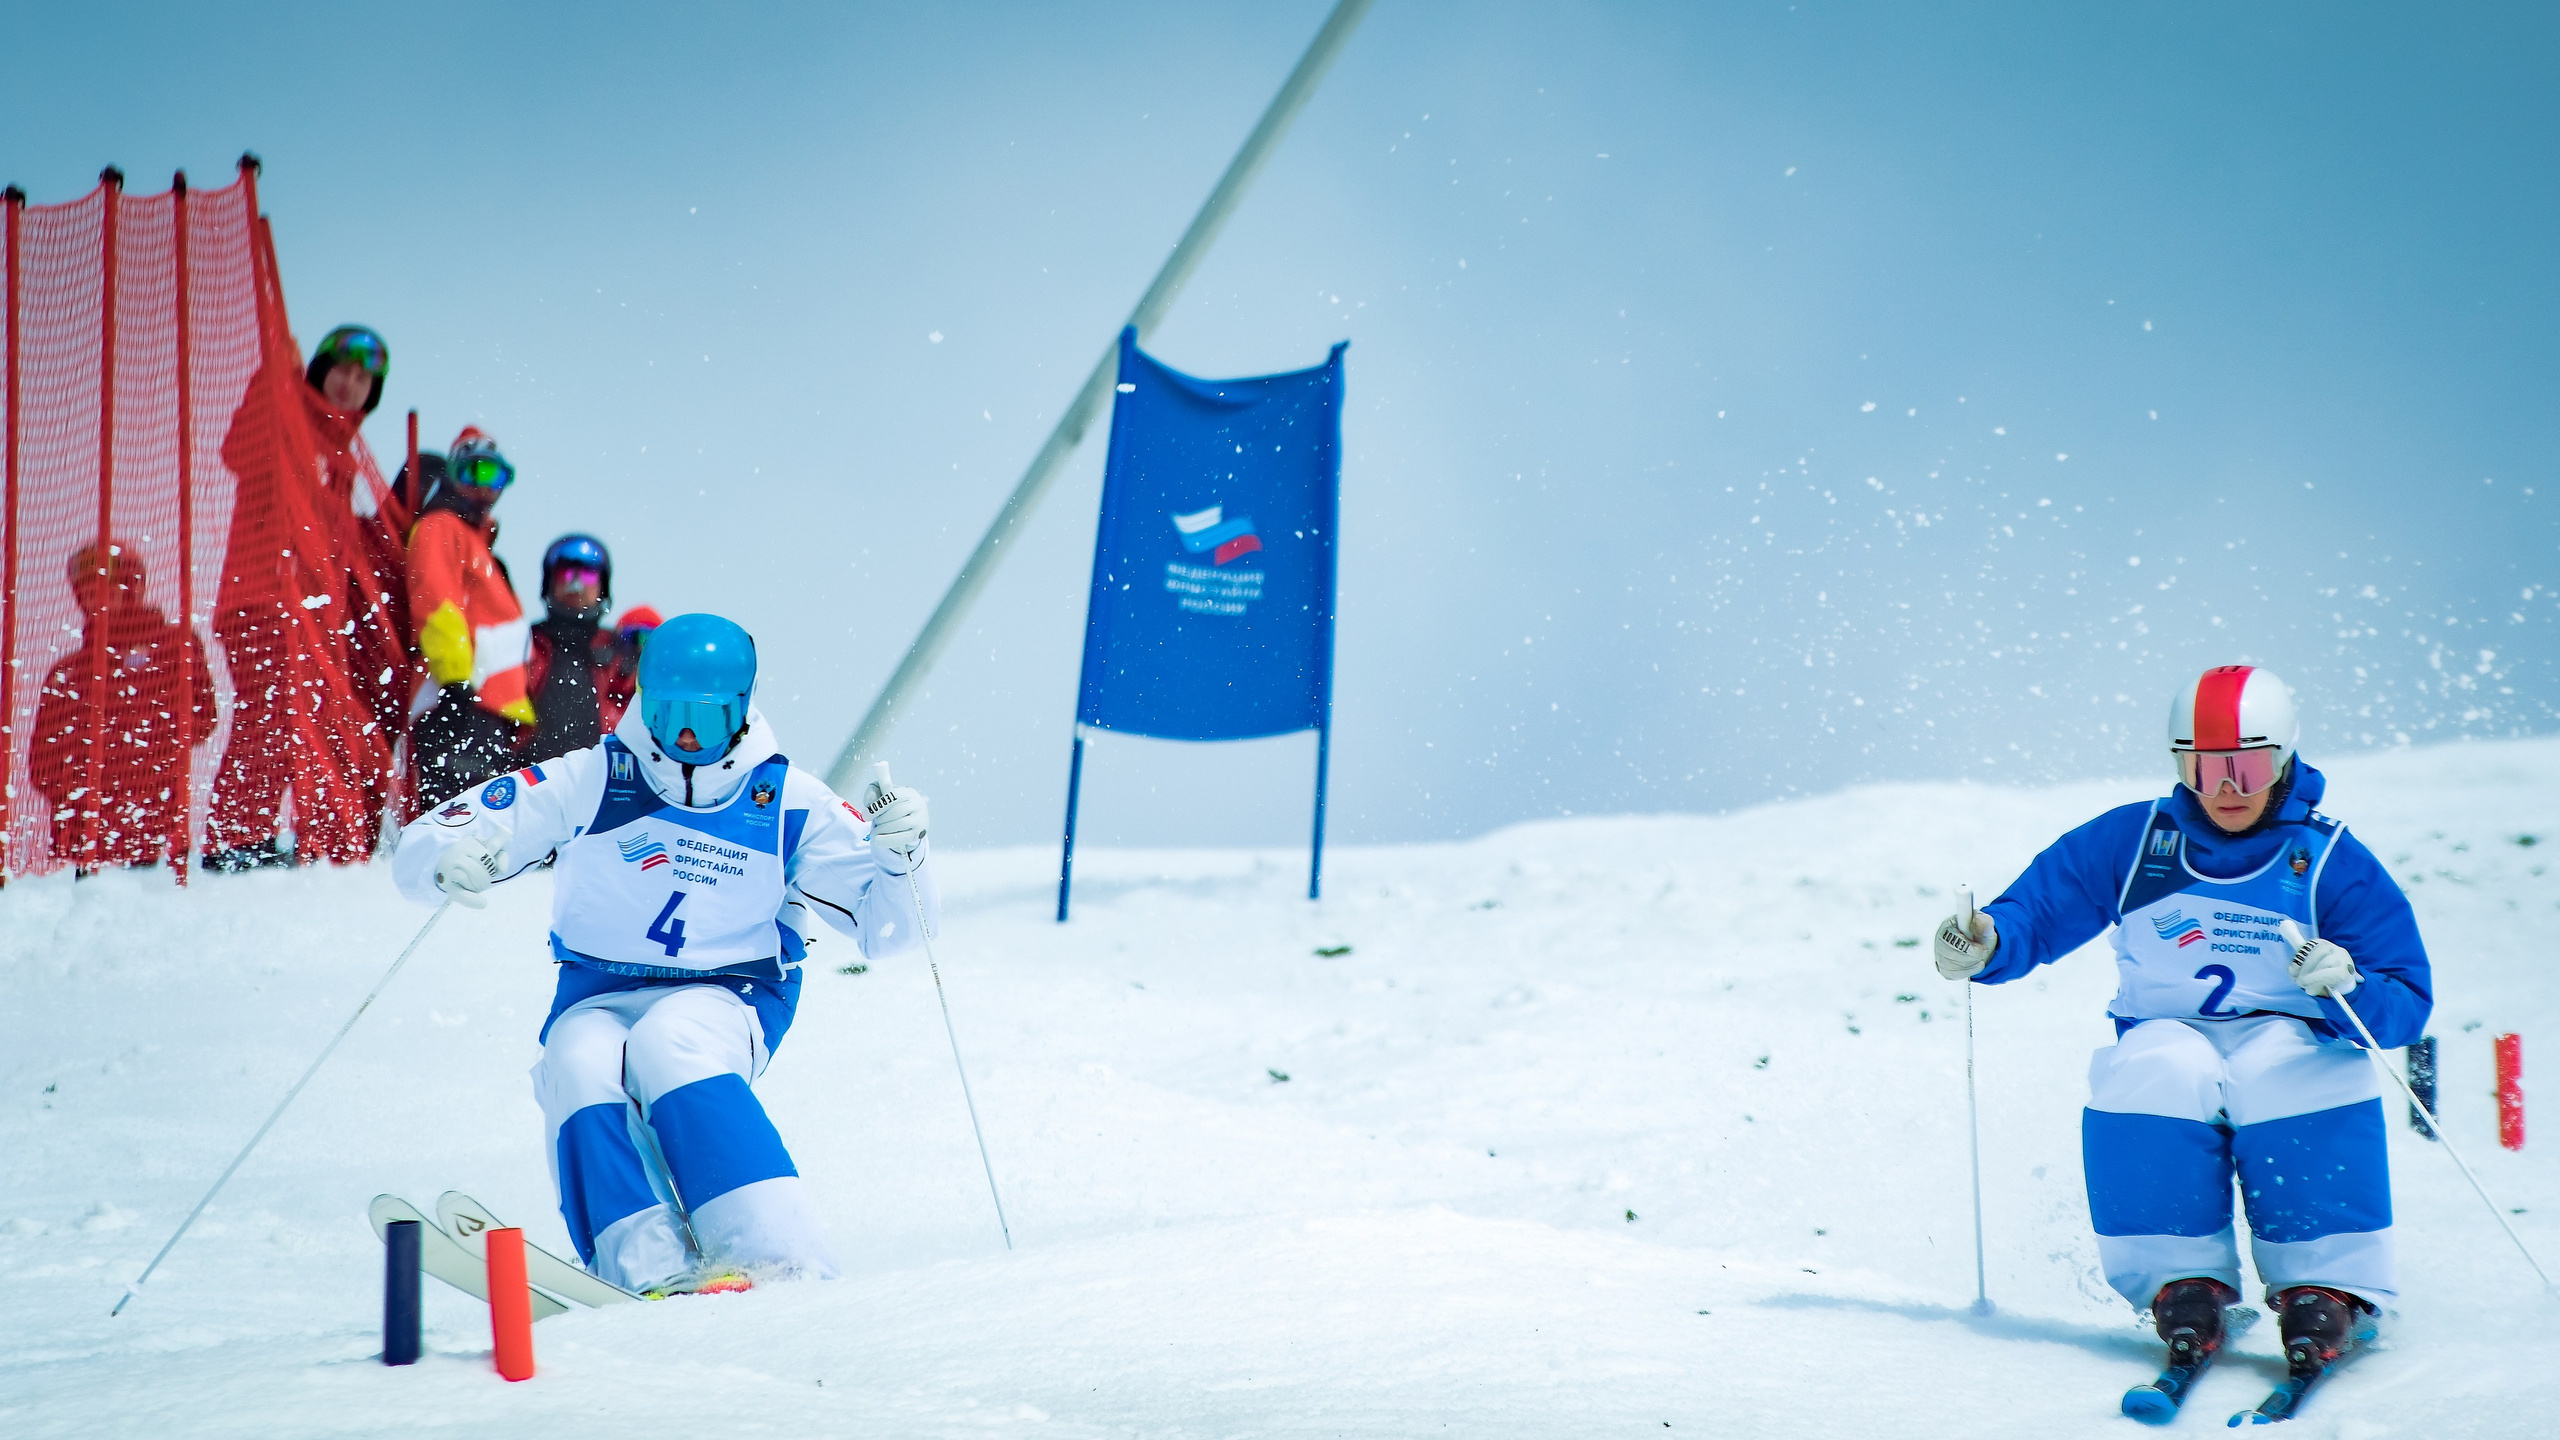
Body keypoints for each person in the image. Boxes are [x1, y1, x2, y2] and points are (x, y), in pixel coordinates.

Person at [392, 613, 935, 1293]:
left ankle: (778, 1258)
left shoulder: (788, 799)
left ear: (740, 710)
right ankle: (649, 1270)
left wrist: (900, 859)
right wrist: (445, 862)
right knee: (577, 1061)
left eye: (702, 720)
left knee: (669, 1043)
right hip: (597, 991)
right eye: (666, 710)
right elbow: (441, 833)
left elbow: (893, 932)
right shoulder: (595, 777)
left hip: (730, 992)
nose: (682, 736)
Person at [1933, 665, 2429, 1401]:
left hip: (2292, 1034)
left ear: (2284, 758)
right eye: (2202, 767)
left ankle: (2327, 1285)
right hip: (2170, 1029)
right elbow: (2041, 907)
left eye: (2247, 766)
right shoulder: (2137, 842)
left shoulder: (2328, 861)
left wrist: (2351, 986)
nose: (2226, 788)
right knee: (2154, 1068)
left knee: (2286, 1071)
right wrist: (1988, 940)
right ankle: (2178, 1278)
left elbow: (2406, 998)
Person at [205, 323, 405, 869]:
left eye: (364, 378)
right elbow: (237, 448)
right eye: (341, 369)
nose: (350, 384)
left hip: (309, 614)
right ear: (319, 370)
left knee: (297, 720)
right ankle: (235, 840)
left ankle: (262, 837)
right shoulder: (286, 417)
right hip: (261, 596)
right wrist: (276, 373)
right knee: (268, 713)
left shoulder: (342, 458)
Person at [28, 542, 214, 871]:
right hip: (86, 838)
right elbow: (43, 764)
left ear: (130, 588)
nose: (93, 599)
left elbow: (200, 720)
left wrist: (141, 752)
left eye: (104, 588)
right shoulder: (69, 672)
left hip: (152, 829)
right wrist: (78, 793)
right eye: (85, 591)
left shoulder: (173, 645)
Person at [406, 428, 532, 809]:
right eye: (472, 473)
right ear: (452, 475)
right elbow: (436, 601)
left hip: (487, 710)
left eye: (493, 477)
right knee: (456, 820)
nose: (483, 488)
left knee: (479, 822)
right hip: (459, 701)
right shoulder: (441, 527)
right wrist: (455, 680)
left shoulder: (483, 549)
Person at [521, 534, 636, 765]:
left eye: (587, 574)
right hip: (529, 778)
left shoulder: (621, 653)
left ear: (603, 586)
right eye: (565, 574)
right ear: (549, 582)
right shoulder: (524, 643)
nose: (576, 584)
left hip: (602, 778)